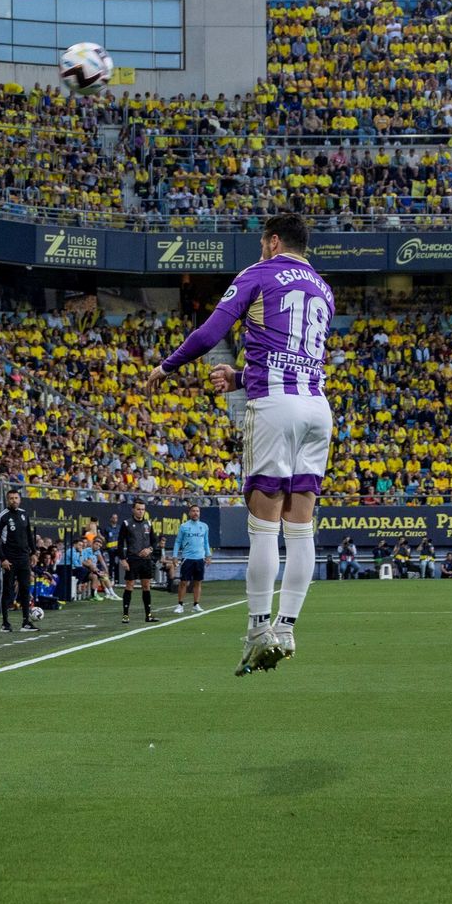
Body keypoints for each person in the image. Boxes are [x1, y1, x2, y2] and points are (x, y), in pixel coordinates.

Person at [149, 213, 334, 675]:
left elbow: (211, 334)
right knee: (301, 528)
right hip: (317, 409)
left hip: (274, 408)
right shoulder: (324, 289)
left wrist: (167, 367)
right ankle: (287, 627)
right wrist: (237, 376)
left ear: (273, 242)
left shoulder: (260, 273)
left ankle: (256, 630)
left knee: (265, 527)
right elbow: (291, 354)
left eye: (261, 243)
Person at [0, 490, 38, 632]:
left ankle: (26, 622)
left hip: (24, 559)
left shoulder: (24, 514)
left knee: (25, 589)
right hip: (9, 560)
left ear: (20, 499)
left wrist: (34, 552)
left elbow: (29, 535)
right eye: (11, 498)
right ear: (7, 500)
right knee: (7, 591)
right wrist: (3, 558)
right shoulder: (2, 516)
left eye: (16, 498)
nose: (14, 500)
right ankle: (5, 623)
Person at [117, 499, 161, 624]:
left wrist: (150, 549)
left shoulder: (148, 523)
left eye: (142, 509)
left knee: (146, 586)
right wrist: (122, 559)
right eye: (138, 509)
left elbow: (154, 541)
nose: (141, 511)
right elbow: (120, 543)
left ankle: (148, 615)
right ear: (133, 510)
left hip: (146, 559)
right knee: (129, 585)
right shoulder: (126, 523)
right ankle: (125, 615)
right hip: (132, 558)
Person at [171, 504, 211, 614]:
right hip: (187, 558)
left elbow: (206, 542)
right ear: (189, 513)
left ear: (199, 513)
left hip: (200, 558)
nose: (195, 513)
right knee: (184, 582)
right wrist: (175, 556)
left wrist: (208, 555)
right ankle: (180, 605)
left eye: (197, 511)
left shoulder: (204, 526)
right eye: (193, 511)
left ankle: (196, 605)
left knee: (198, 582)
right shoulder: (184, 526)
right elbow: (178, 541)